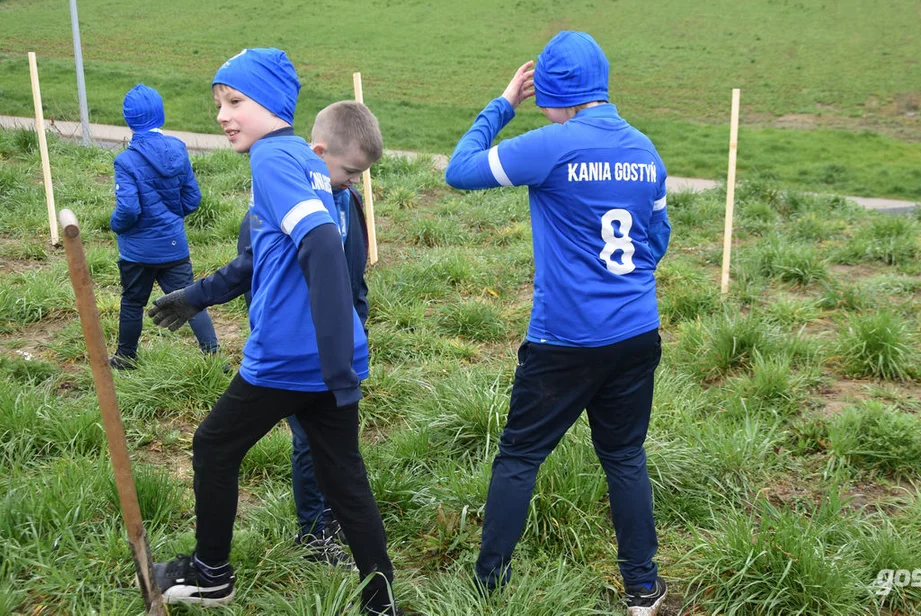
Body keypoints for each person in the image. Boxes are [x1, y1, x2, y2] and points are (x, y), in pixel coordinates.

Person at [149, 49, 395, 614]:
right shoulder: (309, 166)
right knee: (345, 482)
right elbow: (263, 258)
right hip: (337, 360)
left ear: (273, 106)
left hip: (290, 360)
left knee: (213, 446)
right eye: (219, 105)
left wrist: (329, 361)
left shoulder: (274, 159)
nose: (223, 115)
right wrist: (195, 296)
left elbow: (320, 248)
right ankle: (381, 604)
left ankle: (212, 572)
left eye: (235, 101)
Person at [444, 31, 672, 616]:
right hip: (636, 332)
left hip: (564, 342)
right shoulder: (646, 150)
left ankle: (488, 585)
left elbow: (460, 169)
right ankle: (643, 588)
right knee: (624, 458)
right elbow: (657, 240)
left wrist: (503, 103)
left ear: (551, 90)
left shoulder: (549, 145)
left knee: (520, 457)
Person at [108, 84, 218, 370]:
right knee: (190, 300)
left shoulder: (126, 161)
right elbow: (193, 198)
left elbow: (129, 209)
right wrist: (170, 217)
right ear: (161, 115)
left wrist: (116, 225)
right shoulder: (178, 150)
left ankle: (125, 357)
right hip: (173, 245)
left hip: (137, 252)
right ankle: (214, 357)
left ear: (128, 119)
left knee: (132, 302)